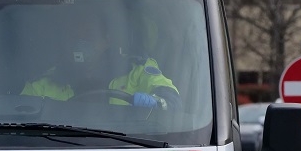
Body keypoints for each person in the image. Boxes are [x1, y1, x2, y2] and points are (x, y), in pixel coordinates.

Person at [21, 15, 181, 109]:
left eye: (89, 36)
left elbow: (170, 98)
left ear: (107, 40)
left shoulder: (136, 71)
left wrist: (159, 101)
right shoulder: (44, 83)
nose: (81, 44)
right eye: (76, 37)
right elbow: (20, 118)